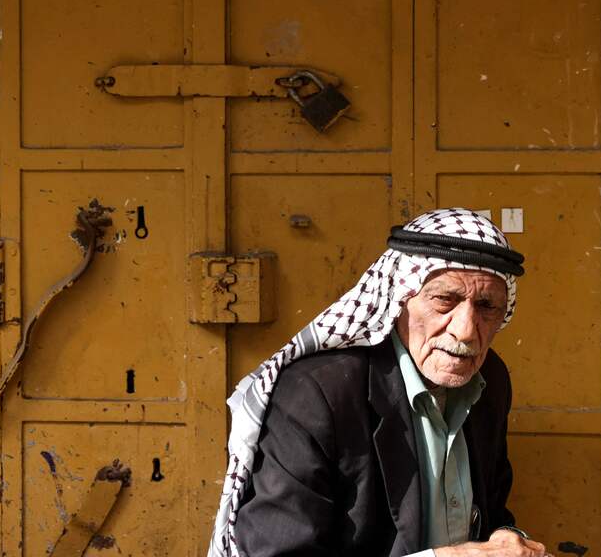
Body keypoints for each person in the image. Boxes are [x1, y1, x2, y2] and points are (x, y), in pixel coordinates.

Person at [207, 208, 553, 557]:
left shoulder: (489, 379)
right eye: (444, 300)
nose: (465, 330)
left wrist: (508, 538)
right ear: (400, 298)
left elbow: (491, 509)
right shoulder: (317, 396)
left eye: (486, 306)